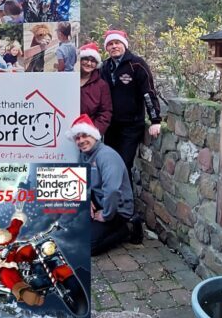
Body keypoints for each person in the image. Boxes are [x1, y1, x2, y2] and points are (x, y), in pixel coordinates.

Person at [69, 114, 135, 255]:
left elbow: (112, 191)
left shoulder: (106, 156)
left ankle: (128, 228)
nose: (81, 141)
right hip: (99, 202)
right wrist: (88, 200)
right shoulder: (83, 155)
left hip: (117, 209)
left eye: (85, 135)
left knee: (88, 246)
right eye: (77, 138)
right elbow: (83, 181)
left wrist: (106, 215)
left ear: (94, 135)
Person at [100, 29, 162, 171]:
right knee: (111, 165)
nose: (114, 46)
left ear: (124, 45)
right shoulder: (104, 67)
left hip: (131, 126)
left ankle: (126, 194)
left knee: (124, 164)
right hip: (111, 126)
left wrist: (155, 120)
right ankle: (114, 194)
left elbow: (148, 92)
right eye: (110, 44)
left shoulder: (137, 65)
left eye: (117, 43)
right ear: (106, 48)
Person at [0, 212, 54, 306]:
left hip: (16, 256)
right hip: (3, 264)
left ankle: (52, 271)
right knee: (6, 272)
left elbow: (14, 229)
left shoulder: (4, 236)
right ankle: (24, 292)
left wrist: (18, 217)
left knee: (31, 249)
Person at [78, 43, 112, 136]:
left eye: (93, 61)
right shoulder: (69, 80)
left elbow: (105, 112)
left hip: (90, 133)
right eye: (86, 59)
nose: (89, 63)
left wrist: (93, 131)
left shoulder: (101, 85)